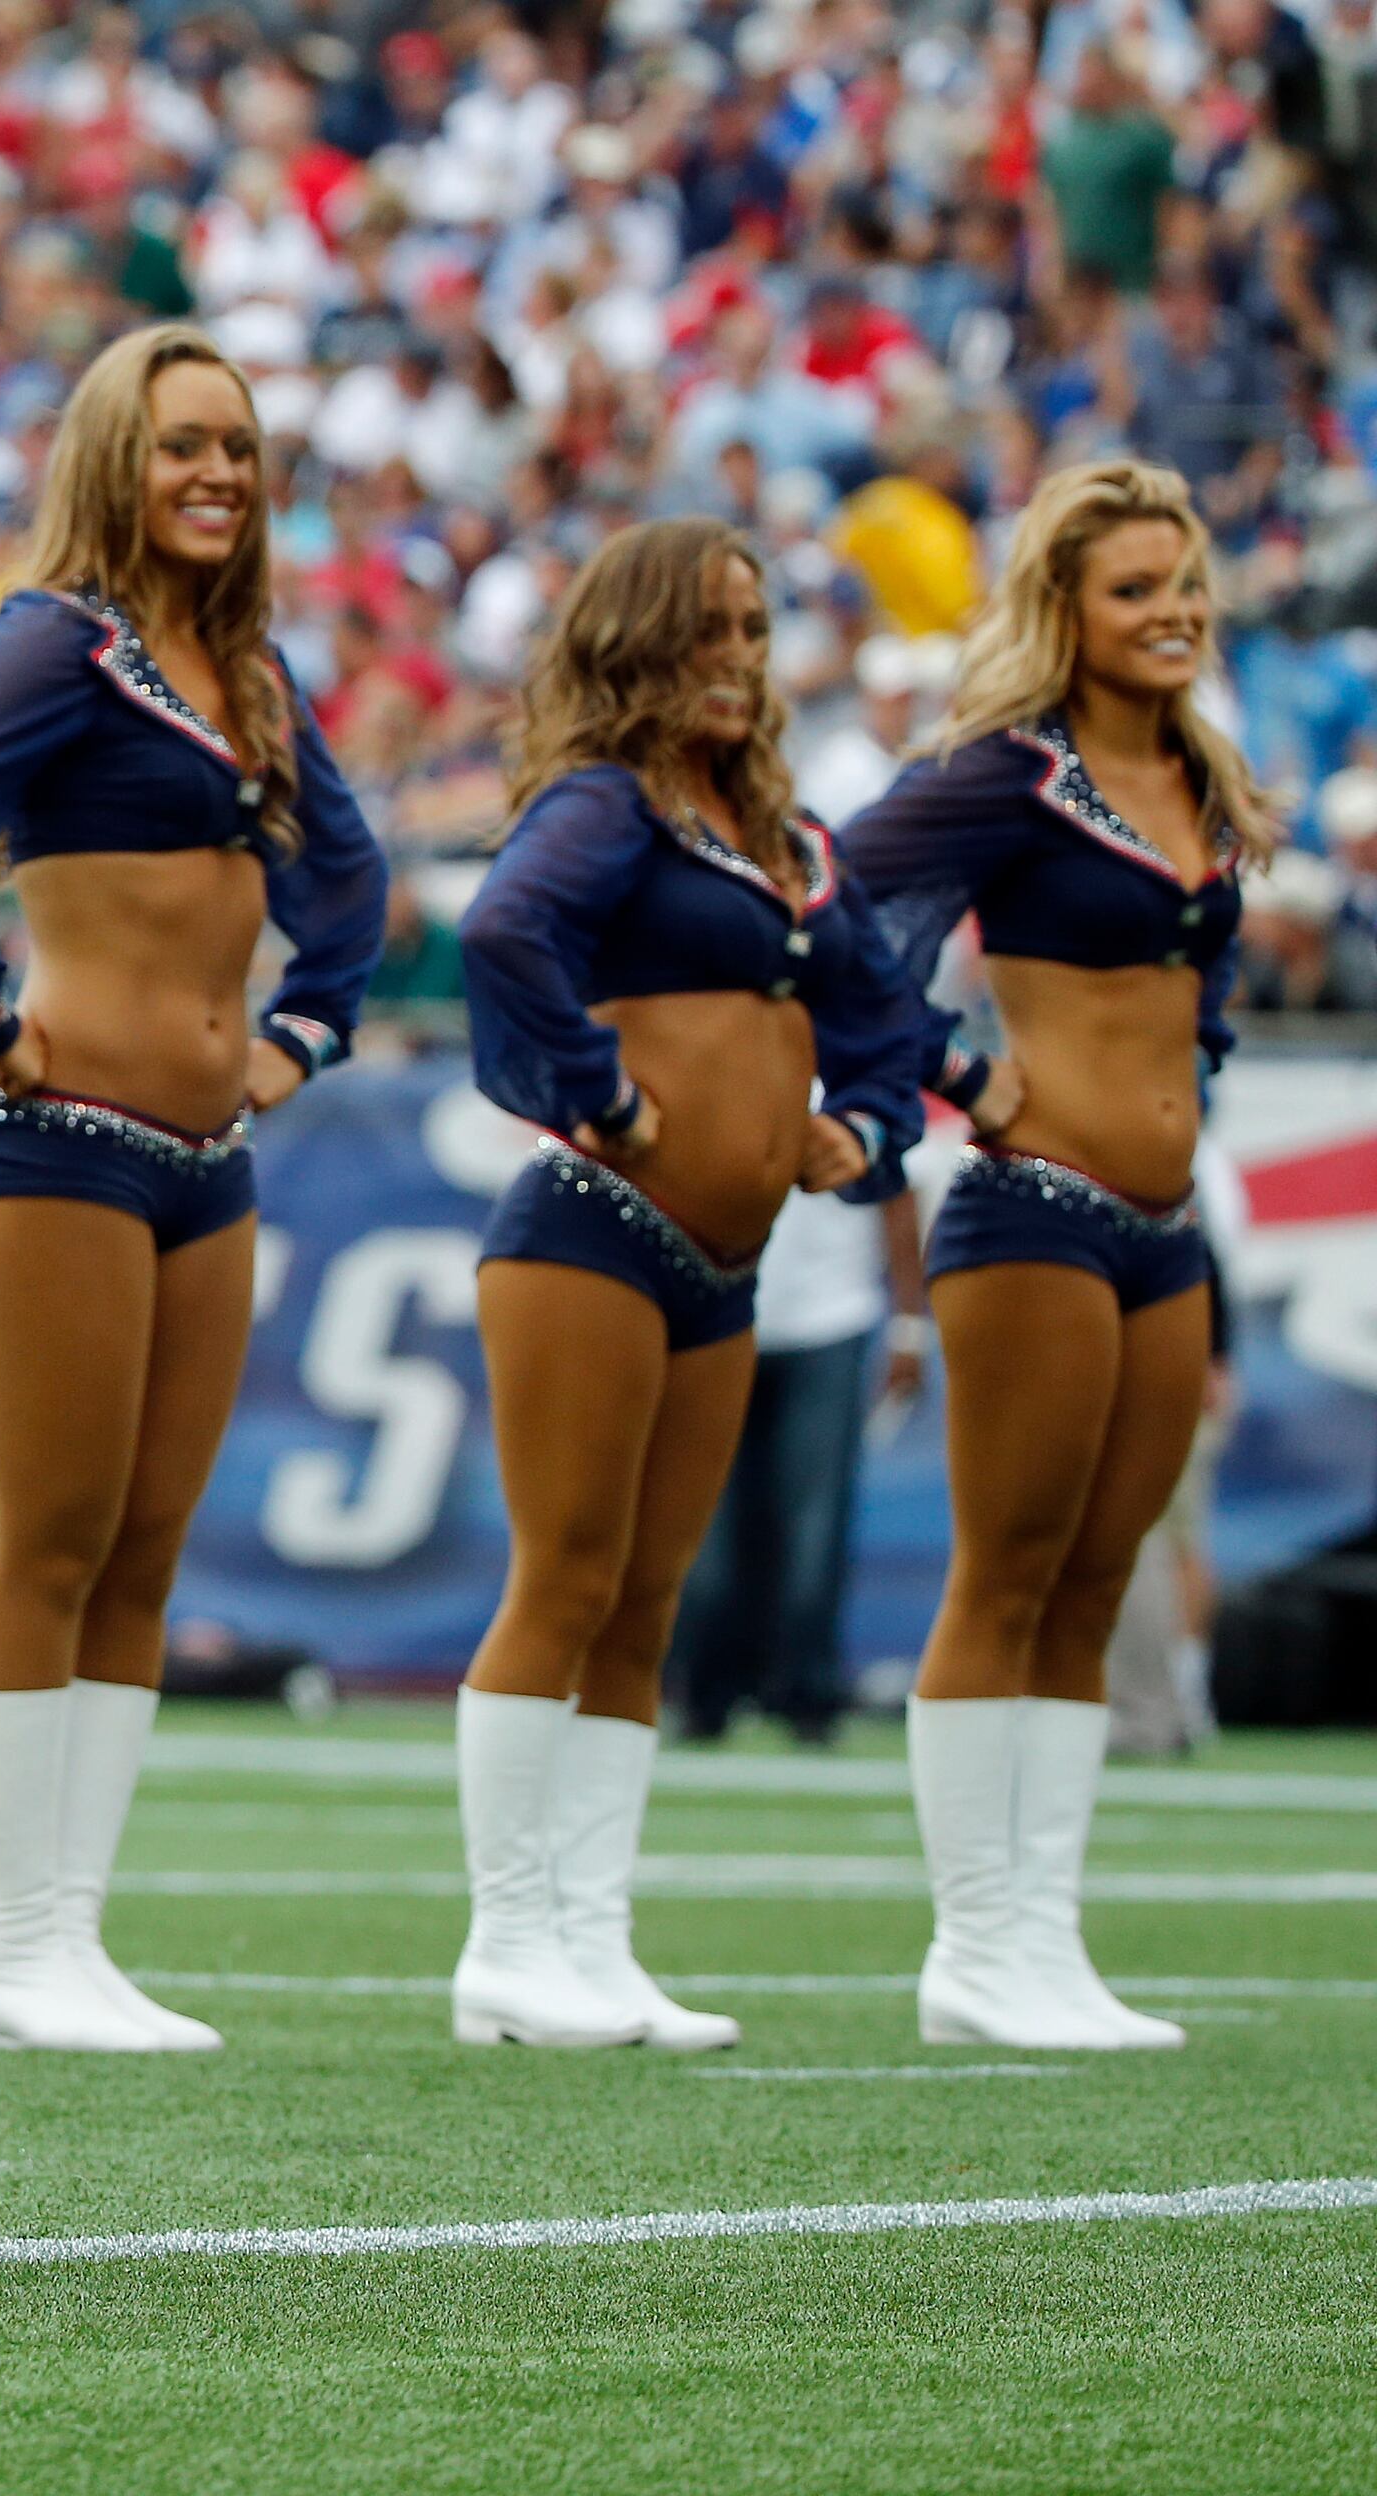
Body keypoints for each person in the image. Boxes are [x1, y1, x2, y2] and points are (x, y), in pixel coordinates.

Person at [0, 324, 388, 2055]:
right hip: (59, 1153)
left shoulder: (250, 672)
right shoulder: (60, 640)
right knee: (53, 1538)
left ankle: (74, 1936)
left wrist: (303, 1035)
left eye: (236, 445)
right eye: (180, 446)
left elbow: (356, 883)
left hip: (211, 1164)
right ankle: (8, 1943)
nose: (216, 472)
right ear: (112, 465)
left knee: (147, 1549)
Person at [452, 518, 929, 2053]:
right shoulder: (607, 805)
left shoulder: (781, 836)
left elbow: (879, 1002)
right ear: (638, 645)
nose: (734, 658)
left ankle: (597, 1939)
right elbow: (507, 930)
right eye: (704, 631)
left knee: (646, 1603)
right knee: (569, 1578)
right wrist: (599, 1094)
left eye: (751, 629)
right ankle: (508, 1944)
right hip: (591, 1228)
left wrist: (865, 1122)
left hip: (733, 1264)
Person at [840, 458, 1271, 2052]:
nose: (1172, 615)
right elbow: (833, 906)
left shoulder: (1201, 774)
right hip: (1033, 1216)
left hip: (1165, 1230)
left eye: (1184, 587)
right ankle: (974, 1947)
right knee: (1008, 1570)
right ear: (1064, 612)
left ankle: (1047, 1939)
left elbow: (1190, 991)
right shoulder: (1004, 772)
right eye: (1135, 591)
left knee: (1102, 1576)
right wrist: (949, 1077)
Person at [667, 1188, 930, 1746]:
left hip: (829, 1316)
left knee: (814, 1526)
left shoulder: (851, 1096)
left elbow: (896, 1187)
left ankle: (808, 1695)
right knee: (703, 1524)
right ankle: (705, 1692)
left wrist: (910, 1322)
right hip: (715, 1310)